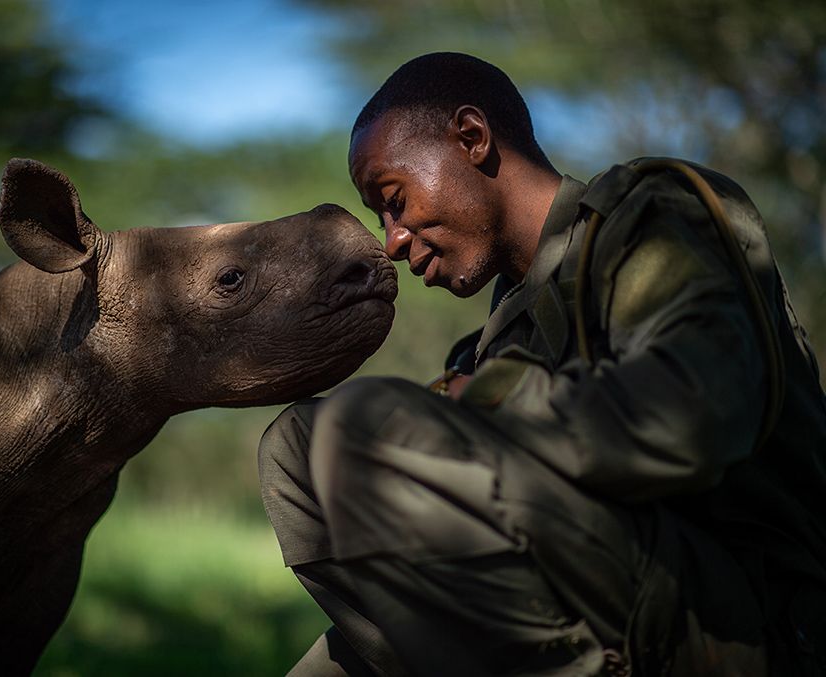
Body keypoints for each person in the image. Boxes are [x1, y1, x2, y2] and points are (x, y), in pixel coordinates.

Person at [258, 52, 826, 676]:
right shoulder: (491, 339)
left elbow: (694, 418)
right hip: (588, 603)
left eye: (394, 200)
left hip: (736, 622)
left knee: (364, 423)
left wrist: (485, 403)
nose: (391, 241)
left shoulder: (652, 214)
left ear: (472, 137)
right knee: (296, 443)